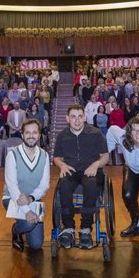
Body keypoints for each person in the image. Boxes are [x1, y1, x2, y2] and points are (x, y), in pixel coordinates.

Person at [53, 104, 109, 249]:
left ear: (84, 117)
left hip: (90, 170)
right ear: (67, 119)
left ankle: (85, 228)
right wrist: (62, 165)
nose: (77, 120)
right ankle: (69, 228)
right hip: (71, 170)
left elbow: (105, 156)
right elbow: (56, 158)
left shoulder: (96, 133)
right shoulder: (62, 136)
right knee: (64, 183)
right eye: (73, 117)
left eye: (80, 116)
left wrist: (96, 165)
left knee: (91, 184)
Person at [2, 119, 50, 252]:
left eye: (34, 132)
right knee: (28, 223)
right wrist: (27, 211)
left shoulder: (44, 155)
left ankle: (25, 225)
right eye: (27, 133)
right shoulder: (12, 155)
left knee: (36, 244)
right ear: (22, 135)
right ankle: (16, 230)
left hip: (33, 199)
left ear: (39, 135)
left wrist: (31, 198)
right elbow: (12, 186)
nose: (31, 136)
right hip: (12, 198)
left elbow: (44, 185)